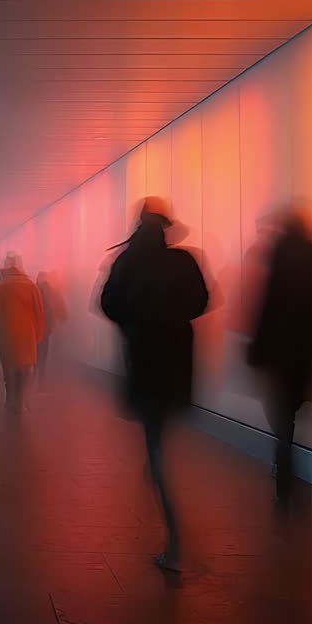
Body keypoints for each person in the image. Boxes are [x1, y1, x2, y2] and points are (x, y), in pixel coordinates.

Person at [100, 198, 208, 572]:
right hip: (177, 360)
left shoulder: (127, 262)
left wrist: (135, 322)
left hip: (142, 358)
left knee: (154, 436)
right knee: (160, 427)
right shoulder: (183, 261)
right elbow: (202, 301)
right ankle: (156, 460)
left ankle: (174, 541)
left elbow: (107, 303)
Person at [247, 209, 312, 506]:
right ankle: (289, 462)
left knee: (282, 413)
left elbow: (268, 303)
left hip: (278, 349)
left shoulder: (278, 254)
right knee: (297, 406)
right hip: (305, 348)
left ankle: (284, 468)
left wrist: (257, 345)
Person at [0, 255, 45, 414]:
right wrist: (39, 333)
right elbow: (39, 312)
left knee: (9, 366)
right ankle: (22, 400)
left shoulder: (1, 285)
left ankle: (10, 398)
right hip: (27, 334)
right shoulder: (31, 286)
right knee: (25, 366)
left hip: (7, 333)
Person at [36, 271, 68, 378]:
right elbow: (58, 304)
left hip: (36, 326)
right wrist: (63, 316)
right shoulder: (52, 290)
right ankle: (41, 373)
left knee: (38, 349)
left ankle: (37, 370)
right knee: (44, 349)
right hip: (47, 325)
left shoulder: (34, 290)